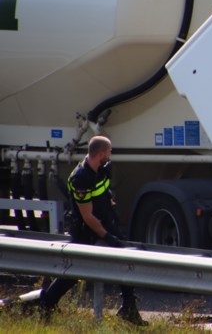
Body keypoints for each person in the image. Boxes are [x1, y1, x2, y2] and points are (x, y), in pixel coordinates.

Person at [38, 135, 146, 325]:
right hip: (86, 228)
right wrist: (107, 236)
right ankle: (47, 303)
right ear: (101, 153)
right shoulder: (81, 178)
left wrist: (110, 210)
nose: (111, 155)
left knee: (126, 259)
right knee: (75, 270)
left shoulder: (104, 168)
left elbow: (104, 192)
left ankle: (129, 308)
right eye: (109, 152)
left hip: (105, 220)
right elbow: (87, 216)